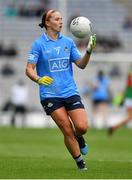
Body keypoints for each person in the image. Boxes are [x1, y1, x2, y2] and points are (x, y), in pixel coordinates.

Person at [25, 9, 96, 170]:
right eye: (57, 19)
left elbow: (82, 65)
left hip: (70, 91)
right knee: (66, 128)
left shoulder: (68, 42)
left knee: (82, 127)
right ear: (47, 22)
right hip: (49, 94)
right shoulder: (39, 44)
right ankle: (80, 164)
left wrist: (89, 52)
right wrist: (38, 79)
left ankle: (80, 137)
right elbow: (29, 69)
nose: (61, 22)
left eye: (61, 19)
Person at [108, 66, 132, 135]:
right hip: (130, 98)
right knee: (130, 117)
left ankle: (114, 127)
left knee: (130, 117)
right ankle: (114, 127)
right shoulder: (130, 74)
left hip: (129, 98)